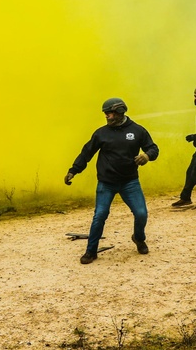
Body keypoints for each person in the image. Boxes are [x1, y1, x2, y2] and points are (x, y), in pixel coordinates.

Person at [65, 98, 160, 265]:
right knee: (100, 216)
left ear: (120, 111)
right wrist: (74, 170)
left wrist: (147, 156)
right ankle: (91, 251)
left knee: (141, 213)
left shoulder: (137, 131)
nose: (106, 116)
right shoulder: (101, 133)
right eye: (105, 113)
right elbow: (86, 153)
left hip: (130, 182)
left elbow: (153, 148)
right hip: (106, 183)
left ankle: (139, 238)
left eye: (109, 113)